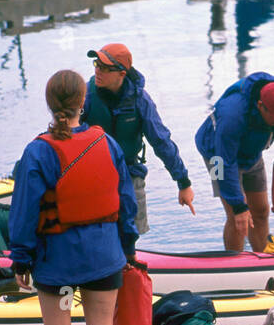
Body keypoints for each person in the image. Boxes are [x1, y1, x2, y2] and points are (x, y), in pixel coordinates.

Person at [9, 69, 138, 325]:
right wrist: (127, 248)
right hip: (104, 255)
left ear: (50, 105)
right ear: (84, 102)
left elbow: (25, 210)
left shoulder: (37, 151)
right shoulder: (108, 143)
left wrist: (21, 257)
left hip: (58, 261)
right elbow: (126, 202)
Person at [82, 43, 194, 235]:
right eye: (96, 64)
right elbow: (63, 134)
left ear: (121, 74)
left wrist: (183, 182)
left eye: (105, 68)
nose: (98, 71)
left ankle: (130, 261)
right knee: (96, 233)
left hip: (130, 171)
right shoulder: (85, 96)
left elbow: (161, 141)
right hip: (93, 174)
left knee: (132, 233)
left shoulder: (140, 100)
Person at [194, 72, 274, 254]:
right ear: (260, 106)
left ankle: (263, 261)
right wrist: (239, 206)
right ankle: (235, 267)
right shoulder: (231, 116)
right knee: (238, 217)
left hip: (251, 152)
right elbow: (224, 162)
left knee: (260, 211)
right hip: (216, 156)